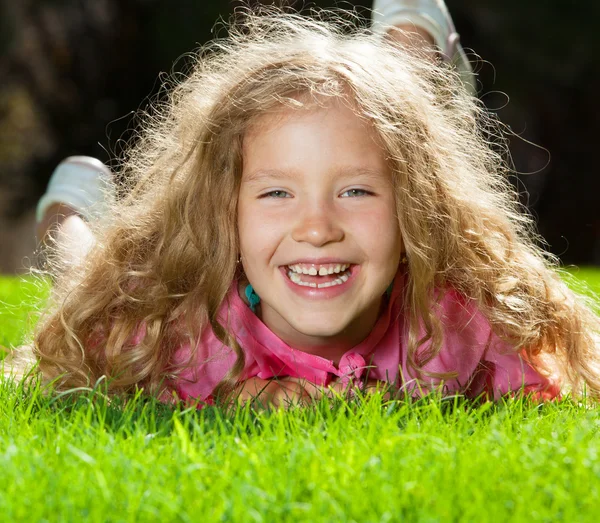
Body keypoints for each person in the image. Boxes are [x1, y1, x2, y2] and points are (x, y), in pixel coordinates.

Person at [21, 7, 600, 407]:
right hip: (131, 273)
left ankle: (416, 43)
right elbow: (66, 366)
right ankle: (70, 212)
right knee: (82, 269)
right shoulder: (173, 332)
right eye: (276, 193)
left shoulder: (457, 323)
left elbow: (550, 382)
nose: (317, 229)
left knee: (389, 123)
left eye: (356, 192)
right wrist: (235, 394)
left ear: (416, 211)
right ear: (224, 209)